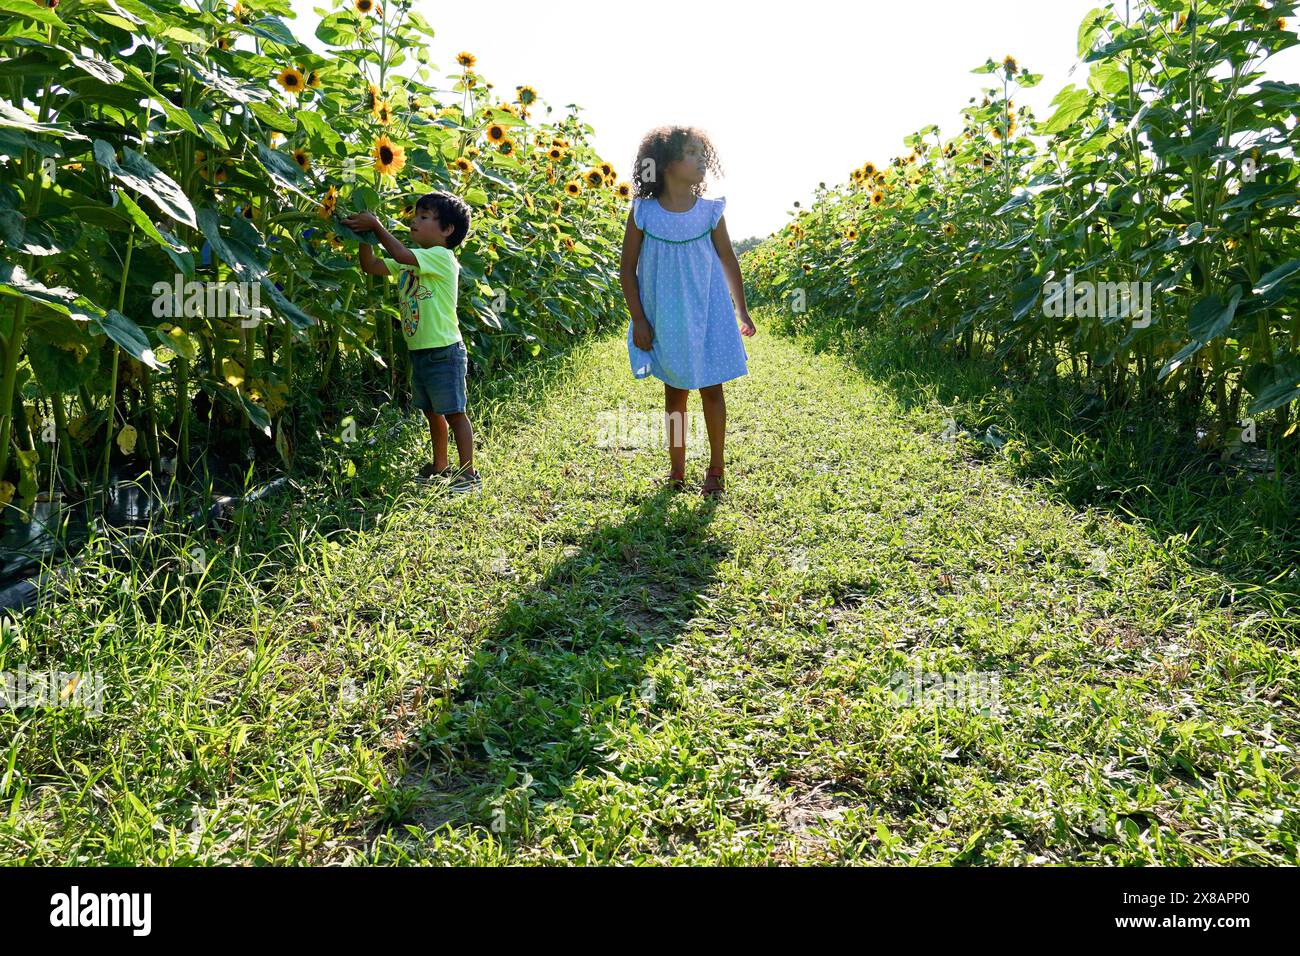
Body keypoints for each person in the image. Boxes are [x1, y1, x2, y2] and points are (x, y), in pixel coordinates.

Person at [620, 126, 756, 497]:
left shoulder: (711, 211)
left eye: (703, 153)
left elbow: (729, 260)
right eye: (692, 152)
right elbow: (627, 268)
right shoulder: (643, 212)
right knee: (675, 393)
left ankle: (716, 469)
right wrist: (638, 318)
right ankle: (677, 471)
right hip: (666, 318)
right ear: (665, 163)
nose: (701, 159)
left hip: (709, 313)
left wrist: (741, 310)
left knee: (713, 389)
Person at [344, 192, 481, 493]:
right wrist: (366, 235)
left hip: (444, 351)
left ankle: (469, 474)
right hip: (420, 352)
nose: (413, 221)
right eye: (415, 216)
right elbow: (372, 266)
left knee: (455, 412)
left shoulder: (441, 257)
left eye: (423, 217)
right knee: (432, 412)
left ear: (447, 230)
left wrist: (378, 227)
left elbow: (399, 255)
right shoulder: (411, 263)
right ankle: (440, 465)